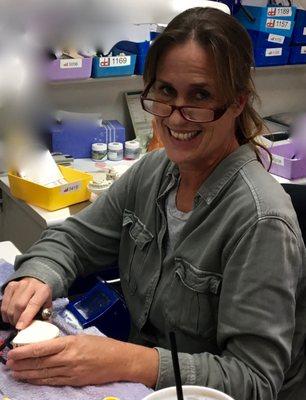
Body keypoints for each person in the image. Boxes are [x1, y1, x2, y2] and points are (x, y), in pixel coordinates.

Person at [1, 7, 306, 400]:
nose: (176, 116)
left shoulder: (261, 220)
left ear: (237, 102)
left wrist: (126, 360)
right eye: (165, 92)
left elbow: (254, 379)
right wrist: (37, 276)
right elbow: (74, 240)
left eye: (200, 95)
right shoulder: (154, 171)